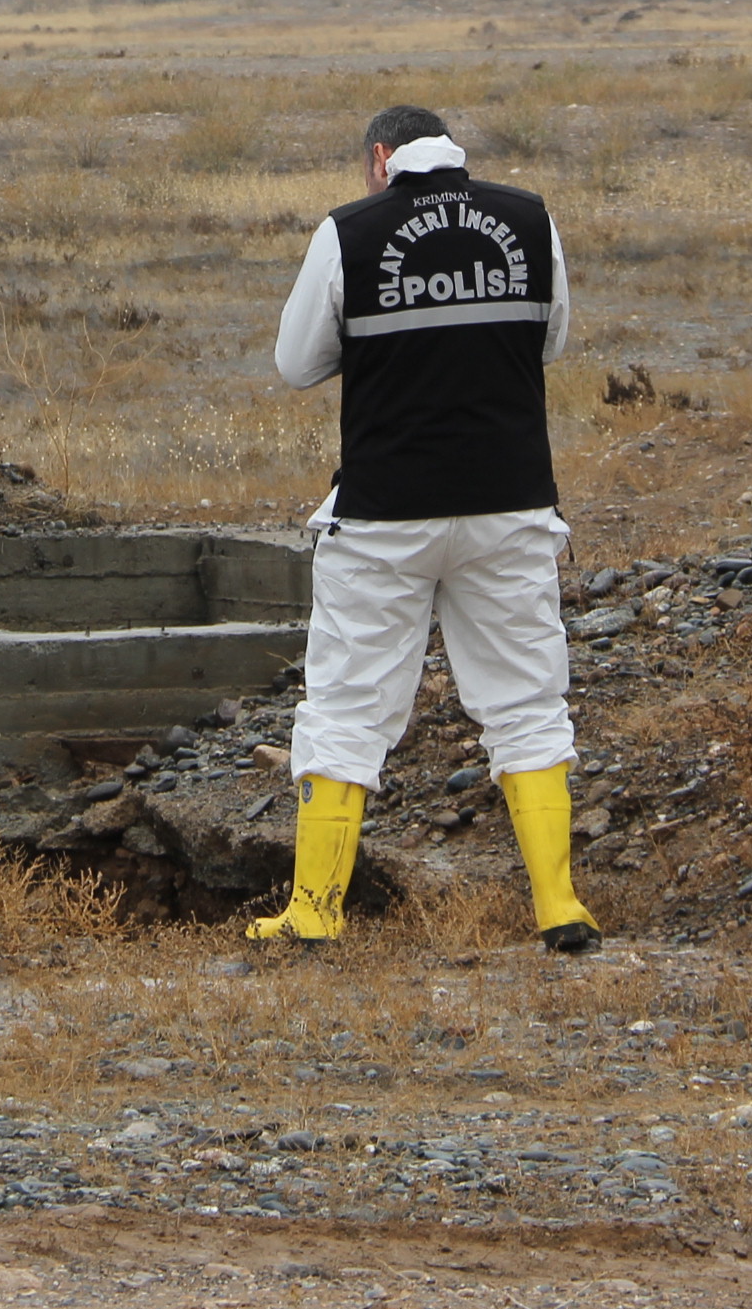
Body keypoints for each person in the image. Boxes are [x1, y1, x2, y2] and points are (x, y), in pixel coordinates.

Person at [253, 104, 596, 951]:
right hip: (510, 503)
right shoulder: (529, 217)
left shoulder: (349, 232)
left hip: (384, 515)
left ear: (380, 157)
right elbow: (549, 342)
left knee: (345, 709)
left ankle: (316, 912)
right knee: (526, 702)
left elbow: (296, 365)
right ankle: (558, 905)